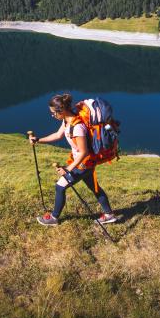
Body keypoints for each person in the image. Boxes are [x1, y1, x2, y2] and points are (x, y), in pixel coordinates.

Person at [29, 93, 117, 226]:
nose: (53, 116)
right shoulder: (67, 120)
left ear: (62, 111)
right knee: (95, 188)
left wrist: (68, 169)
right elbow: (58, 135)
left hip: (83, 164)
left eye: (53, 113)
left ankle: (54, 218)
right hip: (85, 163)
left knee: (60, 186)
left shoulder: (77, 127)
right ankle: (109, 214)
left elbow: (84, 152)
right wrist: (39, 140)